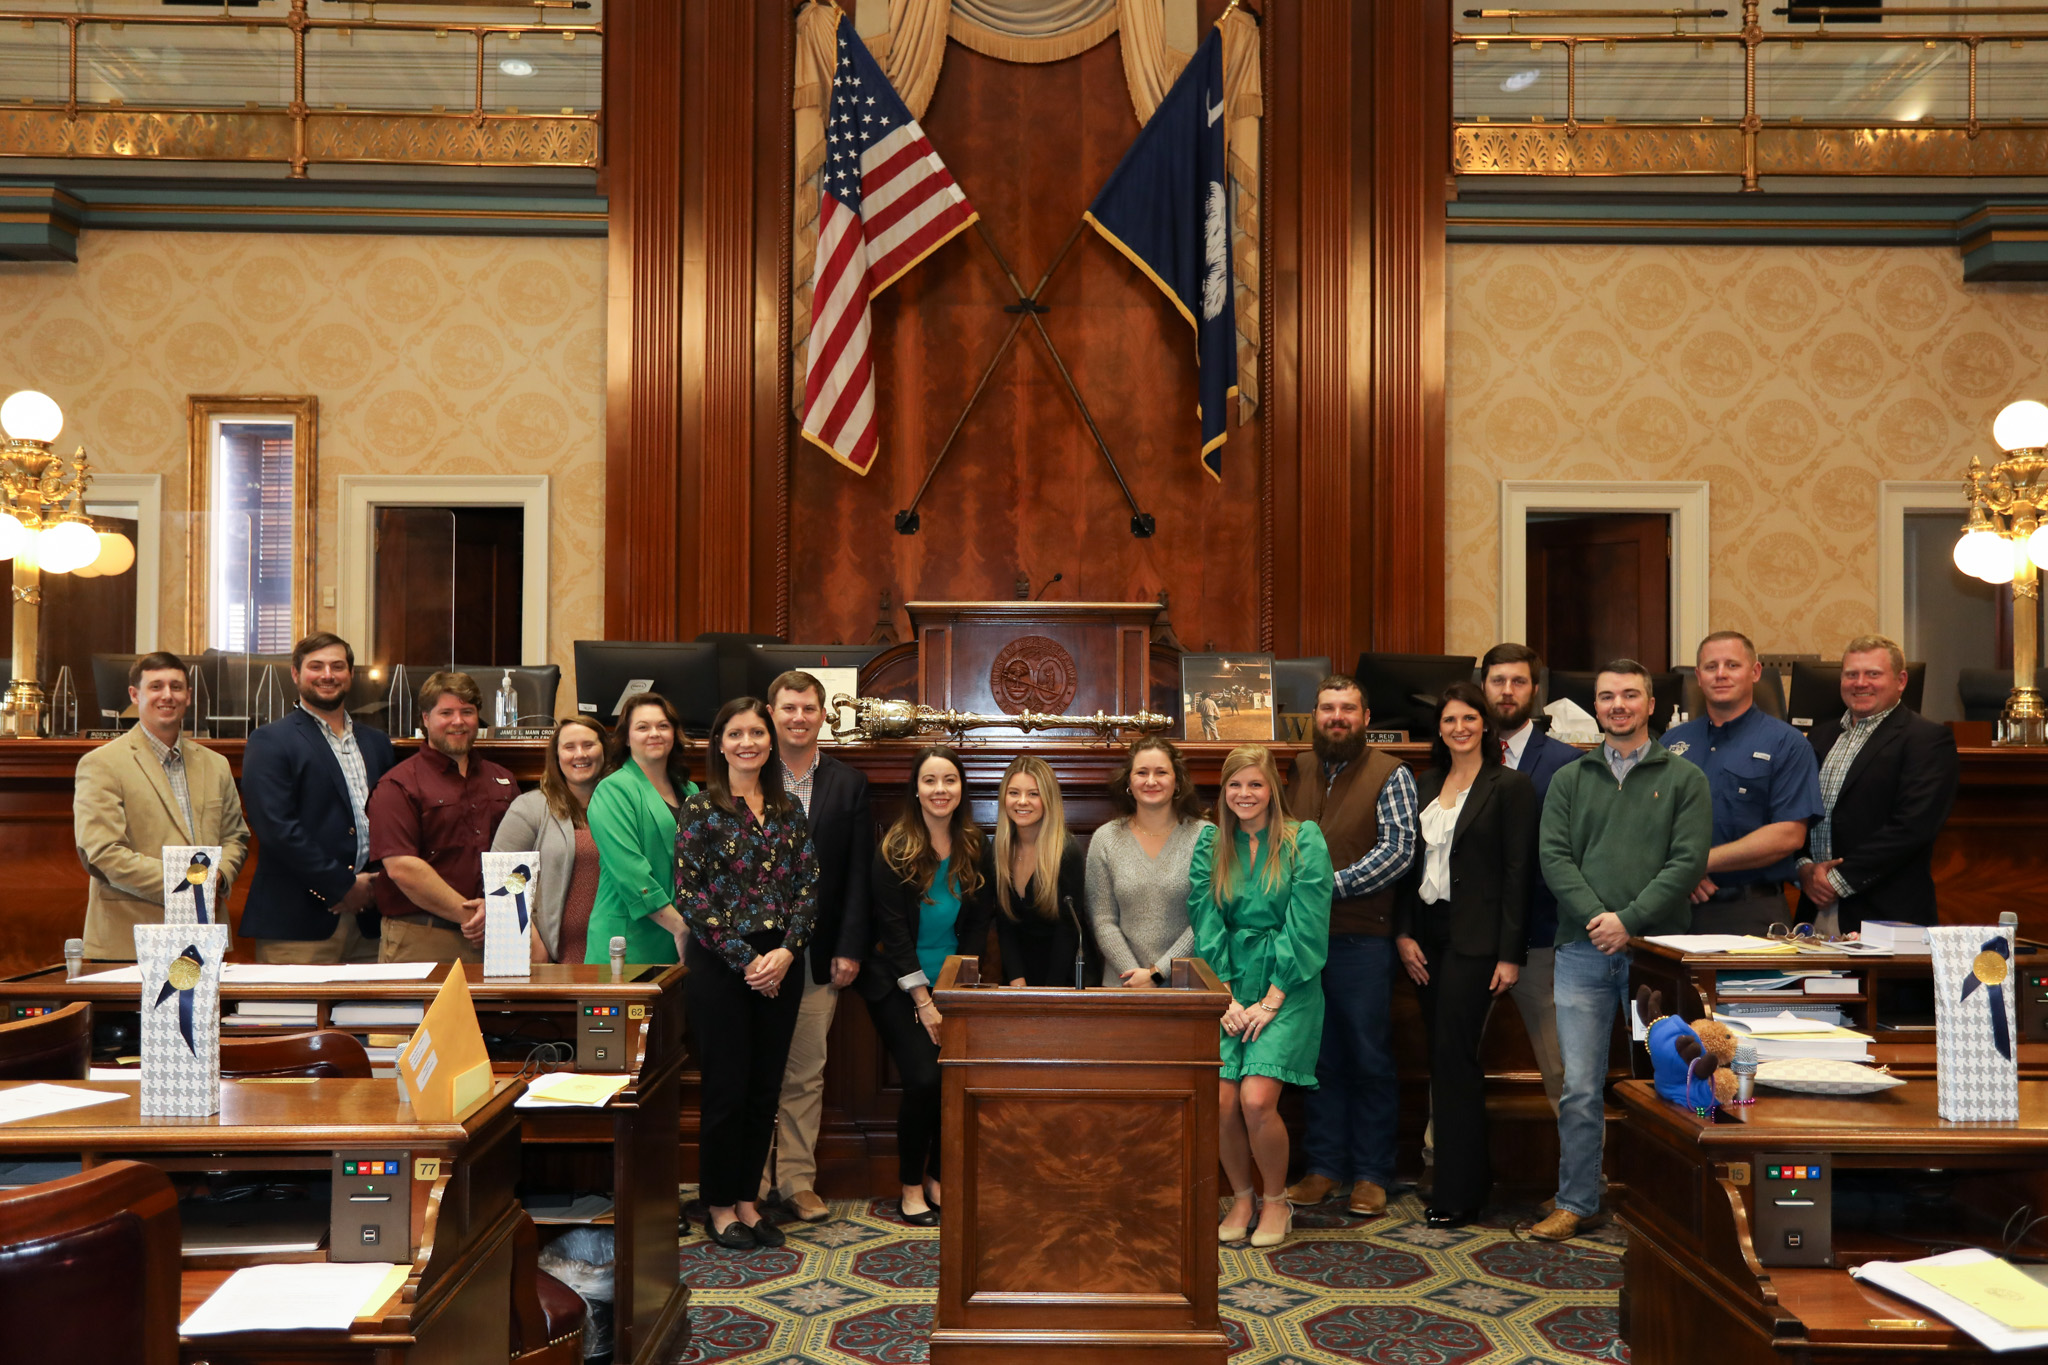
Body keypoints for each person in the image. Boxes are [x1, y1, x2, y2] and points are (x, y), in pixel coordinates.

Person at [1530, 659, 1710, 1242]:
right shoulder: (1570, 778)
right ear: (1596, 706)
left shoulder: (1686, 780)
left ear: (1650, 704)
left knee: (1670, 1083)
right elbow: (1554, 858)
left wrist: (1627, 922)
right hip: (1581, 952)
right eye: (1607, 696)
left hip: (1658, 954)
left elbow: (1686, 864)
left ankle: (1667, 1205)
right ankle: (1576, 1201)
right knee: (1579, 1085)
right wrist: (1597, 920)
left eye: (1630, 695)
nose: (1618, 705)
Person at [678, 697, 819, 1250]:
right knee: (727, 1091)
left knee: (765, 1092)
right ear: (719, 744)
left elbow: (809, 887)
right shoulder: (699, 810)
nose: (748, 743)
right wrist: (747, 960)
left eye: (757, 733)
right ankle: (717, 1205)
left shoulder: (788, 810)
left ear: (770, 742)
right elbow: (692, 897)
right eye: (735, 733)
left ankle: (746, 1201)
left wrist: (785, 953)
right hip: (722, 965)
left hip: (782, 962)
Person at [1393, 682, 1536, 1227]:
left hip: (1476, 940)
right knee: (1441, 1058)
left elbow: (1519, 873)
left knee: (1455, 1060)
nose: (1459, 728)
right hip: (1426, 935)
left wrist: (1510, 953)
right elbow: (1407, 869)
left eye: (1469, 718)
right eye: (1450, 719)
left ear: (1485, 724)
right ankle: (1458, 1180)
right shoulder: (1425, 782)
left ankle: (1458, 1192)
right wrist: (1403, 934)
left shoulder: (1511, 787)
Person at [1281, 675, 1417, 1218]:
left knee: (1368, 1058)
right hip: (1303, 940)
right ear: (1314, 716)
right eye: (1327, 708)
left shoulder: (1392, 772)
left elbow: (1398, 852)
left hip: (1361, 938)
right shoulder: (1302, 768)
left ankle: (1371, 1174)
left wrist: (1322, 886)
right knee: (1318, 1058)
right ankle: (1324, 1168)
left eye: (1347, 709)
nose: (1337, 717)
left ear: (1366, 717)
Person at [1191, 745, 1334, 1250]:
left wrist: (1272, 999)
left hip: (1288, 983)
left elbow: (1309, 923)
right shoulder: (1212, 843)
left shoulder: (1303, 839)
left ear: (1273, 788)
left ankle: (1277, 1200)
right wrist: (1225, 997)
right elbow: (1206, 923)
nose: (1244, 794)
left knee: (1255, 1099)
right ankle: (1243, 1197)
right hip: (1228, 983)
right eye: (1234, 785)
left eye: (1254, 784)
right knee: (1222, 1099)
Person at [858, 746, 990, 1227]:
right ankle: (910, 1186)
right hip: (898, 983)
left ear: (961, 789)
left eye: (950, 780)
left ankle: (937, 1177)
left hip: (952, 985)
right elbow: (893, 934)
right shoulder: (895, 848)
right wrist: (924, 1001)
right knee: (924, 1079)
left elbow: (977, 926)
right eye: (931, 781)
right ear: (915, 789)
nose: (941, 790)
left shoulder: (976, 845)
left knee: (953, 1082)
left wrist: (956, 991)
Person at [759, 671, 874, 1224]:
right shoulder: (747, 773)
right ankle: (749, 1181)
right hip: (754, 954)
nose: (798, 717)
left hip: (818, 952)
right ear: (770, 712)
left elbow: (857, 875)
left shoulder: (848, 784)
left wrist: (850, 946)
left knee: (806, 1071)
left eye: (808, 708)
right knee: (754, 1066)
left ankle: (797, 1181)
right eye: (788, 708)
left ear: (824, 714)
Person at [74, 651, 251, 960]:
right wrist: (195, 886)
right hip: (129, 943)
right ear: (134, 694)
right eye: (156, 686)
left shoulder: (217, 764)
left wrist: (218, 876)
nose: (167, 695)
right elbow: (101, 853)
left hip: (204, 940)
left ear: (189, 696)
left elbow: (236, 837)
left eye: (176, 686)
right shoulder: (102, 763)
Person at [240, 634, 397, 965]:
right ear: (296, 674)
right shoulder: (270, 741)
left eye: (338, 666)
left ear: (350, 674)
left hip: (372, 923)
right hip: (299, 924)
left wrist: (375, 886)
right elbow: (276, 829)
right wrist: (341, 885)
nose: (328, 674)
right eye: (316, 666)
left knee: (375, 1018)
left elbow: (393, 823)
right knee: (301, 1017)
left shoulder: (377, 743)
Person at [1661, 632, 1823, 937]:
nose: (1720, 674)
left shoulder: (1787, 744)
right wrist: (1679, 872)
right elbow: (1648, 822)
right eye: (1711, 667)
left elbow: (1788, 834)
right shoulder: (1672, 742)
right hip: (1674, 907)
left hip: (1750, 912)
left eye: (1732, 665)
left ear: (1755, 672)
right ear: (1698, 676)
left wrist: (1695, 864)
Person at [1796, 635, 1960, 935]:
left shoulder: (1927, 740)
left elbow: (1913, 826)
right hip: (1814, 909)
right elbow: (1795, 811)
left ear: (1901, 681)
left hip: (1887, 914)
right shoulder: (1819, 737)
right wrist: (1804, 869)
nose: (1860, 683)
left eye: (1873, 674)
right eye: (1851, 674)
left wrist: (1837, 880)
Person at [1481, 642, 1582, 1113]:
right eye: (1498, 681)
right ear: (1483, 687)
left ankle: (1584, 1182)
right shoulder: (1463, 753)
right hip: (1473, 935)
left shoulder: (1566, 760)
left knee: (1562, 1066)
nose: (1507, 691)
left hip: (1541, 935)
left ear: (1535, 691)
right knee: (1452, 1059)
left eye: (1518, 681)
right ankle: (1439, 1168)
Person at [366, 670, 517, 963]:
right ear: (425, 719)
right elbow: (402, 868)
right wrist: (473, 916)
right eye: (446, 712)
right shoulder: (398, 785)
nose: (458, 721)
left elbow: (524, 855)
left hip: (498, 935)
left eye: (467, 712)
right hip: (423, 937)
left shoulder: (503, 779)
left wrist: (497, 911)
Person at [585, 693, 699, 965]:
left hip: (685, 934)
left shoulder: (690, 790)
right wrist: (679, 927)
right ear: (625, 737)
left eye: (663, 726)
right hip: (630, 940)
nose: (654, 734)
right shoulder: (613, 789)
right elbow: (630, 872)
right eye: (642, 727)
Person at [1088, 737, 1211, 989]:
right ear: (1128, 782)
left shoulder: (1204, 836)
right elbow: (1103, 920)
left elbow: (1205, 919)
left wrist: (1158, 974)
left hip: (1186, 987)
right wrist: (1134, 978)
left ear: (1177, 781)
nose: (1151, 781)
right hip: (1124, 987)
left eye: (1161, 772)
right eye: (1142, 772)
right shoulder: (1105, 839)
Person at [492, 716, 610, 964]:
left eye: (589, 745)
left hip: (614, 955)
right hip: (551, 959)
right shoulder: (530, 807)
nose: (580, 754)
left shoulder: (622, 807)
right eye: (569, 747)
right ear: (557, 757)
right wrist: (531, 942)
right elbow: (504, 881)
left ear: (604, 750)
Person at [991, 755, 1093, 987]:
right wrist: (1017, 979)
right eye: (1014, 792)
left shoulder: (1066, 853)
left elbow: (1067, 931)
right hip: (1018, 976)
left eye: (1033, 794)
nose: (1022, 801)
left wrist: (1048, 993)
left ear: (1048, 799)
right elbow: (1004, 924)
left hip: (1064, 977)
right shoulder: (999, 849)